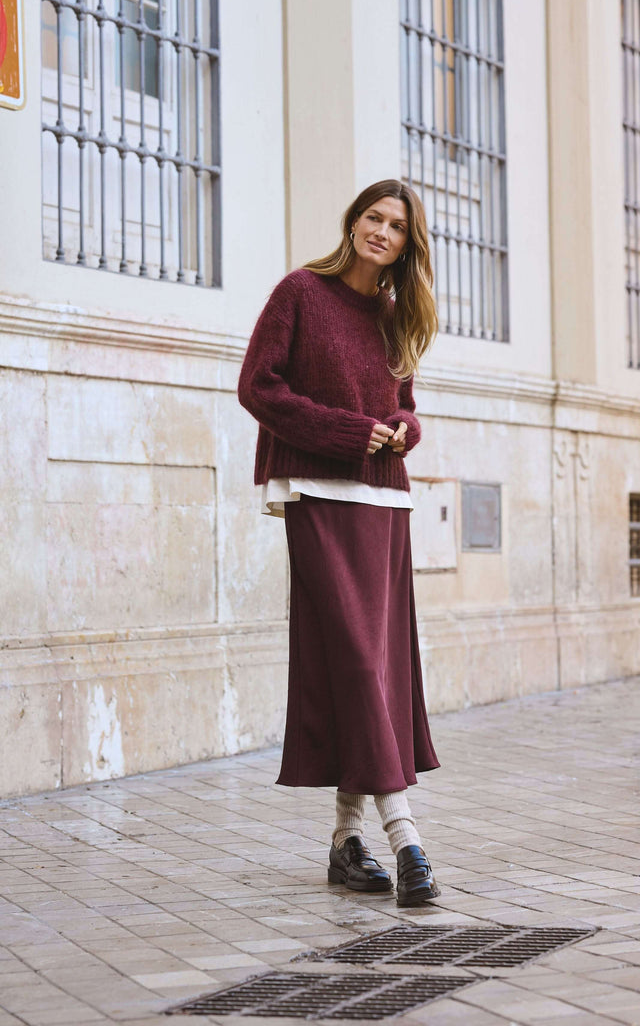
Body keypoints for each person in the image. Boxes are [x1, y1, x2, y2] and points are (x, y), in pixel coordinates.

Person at [237, 179, 441, 907]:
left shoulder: (394, 316)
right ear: (352, 220)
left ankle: (345, 842)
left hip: (383, 500)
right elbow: (258, 388)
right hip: (318, 492)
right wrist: (353, 434)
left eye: (397, 225)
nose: (381, 231)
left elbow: (406, 408)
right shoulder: (299, 292)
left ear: (408, 244)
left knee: (374, 665)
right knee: (356, 657)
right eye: (373, 217)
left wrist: (400, 432)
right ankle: (406, 837)